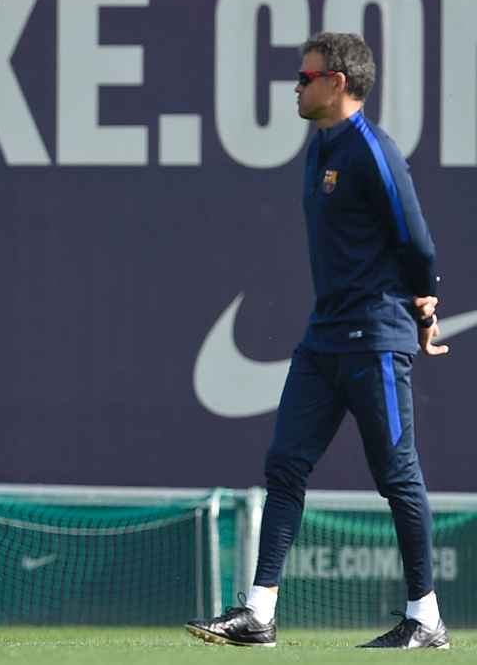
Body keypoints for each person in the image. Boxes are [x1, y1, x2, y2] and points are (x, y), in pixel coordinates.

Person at [185, 32, 448, 649]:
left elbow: (418, 241)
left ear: (336, 82)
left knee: (397, 474)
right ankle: (259, 613)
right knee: (285, 463)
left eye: (304, 79)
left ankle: (426, 618)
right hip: (325, 337)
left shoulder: (373, 150)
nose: (295, 87)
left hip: (376, 338)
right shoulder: (319, 148)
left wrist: (423, 309)